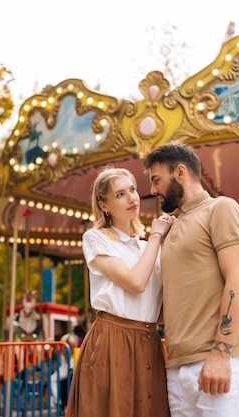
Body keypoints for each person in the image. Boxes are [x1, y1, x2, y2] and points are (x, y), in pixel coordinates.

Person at [144, 143, 239, 416]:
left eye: (156, 180)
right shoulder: (168, 227)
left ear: (180, 172)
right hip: (177, 367)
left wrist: (221, 353)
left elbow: (238, 280)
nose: (153, 190)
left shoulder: (221, 208)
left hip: (217, 359)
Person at [65, 166, 173, 417]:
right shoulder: (96, 238)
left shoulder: (146, 247)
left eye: (133, 190)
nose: (133, 198)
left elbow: (158, 310)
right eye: (120, 194)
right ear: (104, 205)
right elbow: (135, 282)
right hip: (113, 339)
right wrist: (157, 235)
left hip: (149, 341)